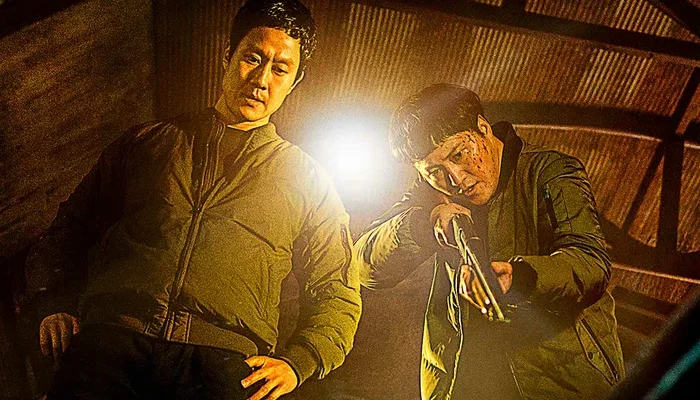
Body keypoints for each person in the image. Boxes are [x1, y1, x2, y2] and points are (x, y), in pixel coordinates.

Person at [23, 1, 362, 398]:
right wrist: (55, 301)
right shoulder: (147, 143)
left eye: (280, 69)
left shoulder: (310, 181)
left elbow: (337, 289)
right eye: (253, 58)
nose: (261, 79)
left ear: (295, 80)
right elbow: (71, 226)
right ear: (227, 55)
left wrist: (298, 361)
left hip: (220, 366)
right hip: (110, 343)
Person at [353, 84, 624, 399]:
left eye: (458, 154)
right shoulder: (430, 194)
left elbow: (590, 265)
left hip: (563, 385)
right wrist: (423, 226)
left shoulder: (549, 171)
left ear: (483, 128)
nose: (455, 178)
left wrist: (520, 278)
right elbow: (362, 266)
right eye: (434, 171)